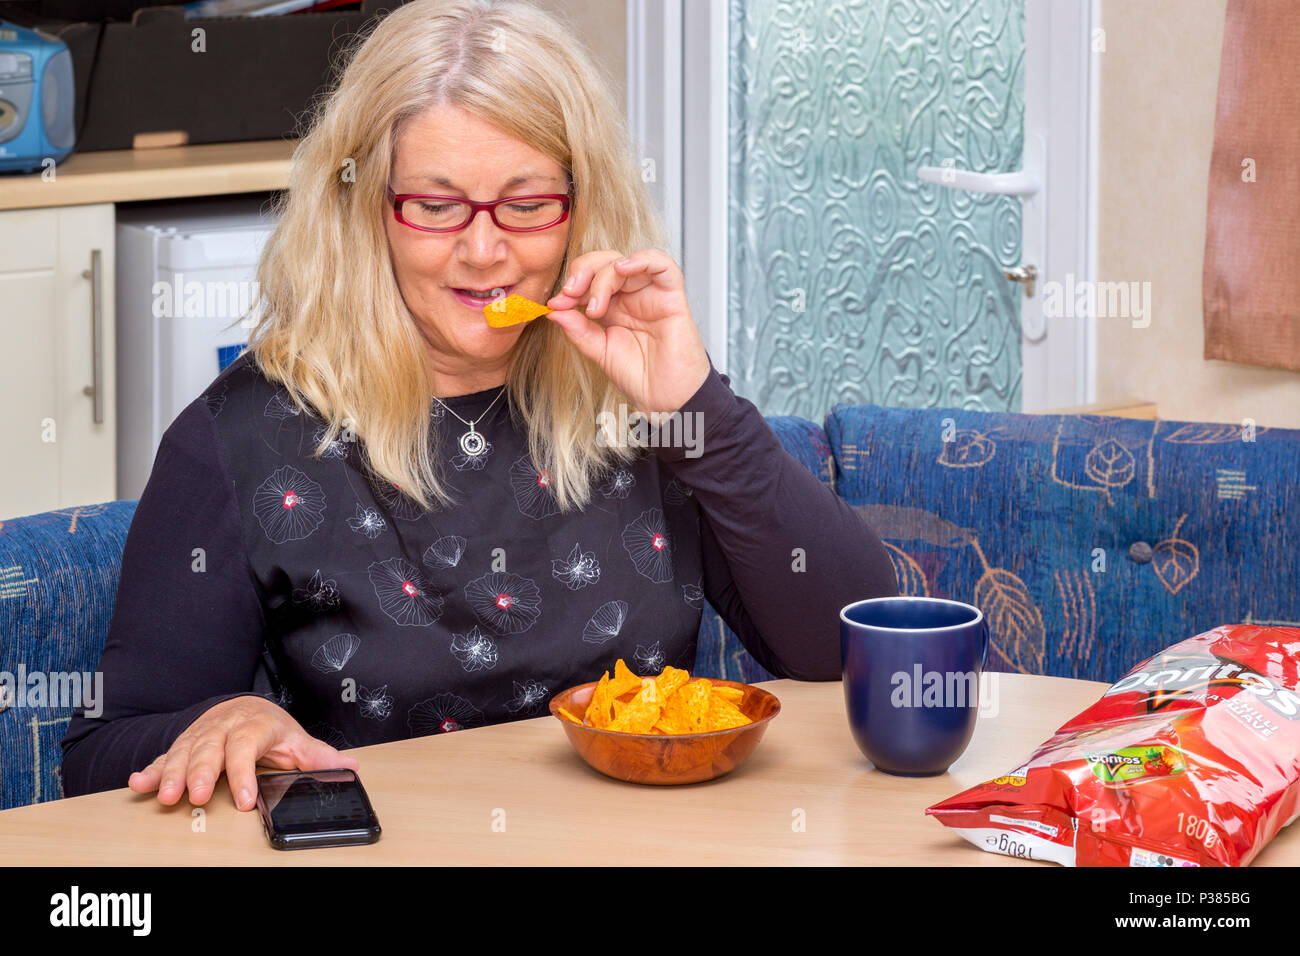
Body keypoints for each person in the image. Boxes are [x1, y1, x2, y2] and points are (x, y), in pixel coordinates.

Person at [60, 0, 896, 811]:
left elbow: (855, 650)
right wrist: (224, 719)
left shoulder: (642, 400)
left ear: (581, 209)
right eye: (435, 205)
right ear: (363, 209)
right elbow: (97, 758)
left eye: (528, 205)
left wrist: (695, 403)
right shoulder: (239, 436)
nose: (486, 249)